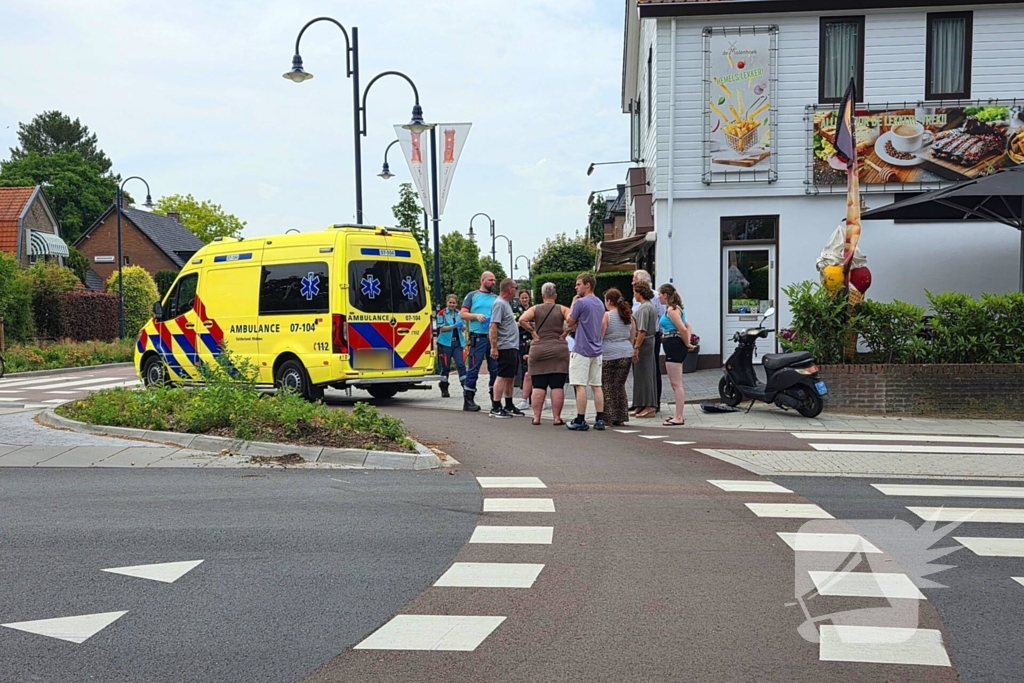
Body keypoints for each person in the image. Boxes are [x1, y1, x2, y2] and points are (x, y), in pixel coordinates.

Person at [519, 282, 571, 426]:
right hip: (558, 349)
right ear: (555, 295)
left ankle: (536, 417)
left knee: (538, 385)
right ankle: (556, 418)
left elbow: (522, 320)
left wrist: (533, 333)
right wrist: (565, 333)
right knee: (557, 386)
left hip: (539, 348)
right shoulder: (562, 309)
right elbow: (574, 320)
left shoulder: (535, 309)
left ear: (542, 296)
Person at [564, 272, 606, 431]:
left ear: (587, 285)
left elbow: (569, 321)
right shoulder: (600, 303)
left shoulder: (581, 303)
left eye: (579, 284)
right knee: (597, 385)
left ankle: (580, 419)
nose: (576, 287)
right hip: (597, 348)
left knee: (579, 385)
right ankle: (600, 418)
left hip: (582, 348)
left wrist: (573, 303)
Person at [658, 283, 698, 426]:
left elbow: (682, 328)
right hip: (673, 344)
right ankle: (677, 414)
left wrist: (687, 343)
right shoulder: (677, 309)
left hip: (674, 346)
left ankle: (679, 417)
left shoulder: (671, 310)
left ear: (666, 295)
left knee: (676, 384)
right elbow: (688, 326)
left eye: (660, 294)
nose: (658, 297)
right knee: (676, 383)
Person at [460, 272, 497, 412]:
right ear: (482, 280)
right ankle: (468, 400)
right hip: (478, 338)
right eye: (490, 280)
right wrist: (475, 316)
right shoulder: (472, 296)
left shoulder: (496, 298)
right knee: (474, 368)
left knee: (495, 369)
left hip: (493, 338)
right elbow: (462, 313)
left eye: (494, 280)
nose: (493, 282)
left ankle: (495, 400)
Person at [488, 278, 525, 418]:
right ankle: (496, 406)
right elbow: (493, 326)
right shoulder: (499, 304)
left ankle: (508, 404)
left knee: (510, 376)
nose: (516, 290)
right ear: (509, 288)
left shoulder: (506, 304)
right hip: (505, 346)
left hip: (512, 345)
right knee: (502, 375)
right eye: (515, 287)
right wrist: (494, 347)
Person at [631, 269, 666, 413]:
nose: (632, 283)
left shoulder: (654, 299)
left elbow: (661, 315)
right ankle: (640, 402)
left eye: (635, 281)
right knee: (639, 371)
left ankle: (652, 403)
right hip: (642, 337)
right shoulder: (637, 301)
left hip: (650, 337)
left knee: (650, 369)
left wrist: (636, 346)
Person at [601, 288, 635, 426]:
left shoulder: (607, 316)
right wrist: (629, 350)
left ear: (609, 301)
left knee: (607, 385)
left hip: (608, 354)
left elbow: (600, 336)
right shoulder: (628, 316)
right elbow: (632, 336)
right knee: (620, 385)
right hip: (625, 353)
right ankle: (621, 417)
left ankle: (608, 417)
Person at [630, 282, 659, 418]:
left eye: (635, 292)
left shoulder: (644, 309)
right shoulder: (649, 306)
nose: (634, 295)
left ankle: (649, 405)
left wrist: (636, 347)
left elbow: (642, 330)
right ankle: (641, 403)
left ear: (639, 293)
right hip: (649, 341)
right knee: (641, 374)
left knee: (645, 373)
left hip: (644, 343)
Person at [434, 294, 466, 398]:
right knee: (446, 367)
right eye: (450, 302)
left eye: (454, 303)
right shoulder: (442, 313)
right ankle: (444, 387)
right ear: (447, 302)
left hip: (458, 343)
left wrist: (462, 327)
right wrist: (454, 326)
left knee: (461, 365)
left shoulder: (460, 313)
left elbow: (464, 327)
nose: (452, 304)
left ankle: (465, 387)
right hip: (445, 343)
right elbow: (441, 328)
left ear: (456, 303)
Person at [514, 289, 535, 411]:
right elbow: (516, 323)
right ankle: (525, 396)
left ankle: (534, 397)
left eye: (526, 298)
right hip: (521, 340)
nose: (524, 300)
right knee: (524, 367)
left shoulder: (534, 308)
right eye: (522, 298)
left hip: (532, 340)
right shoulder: (516, 310)